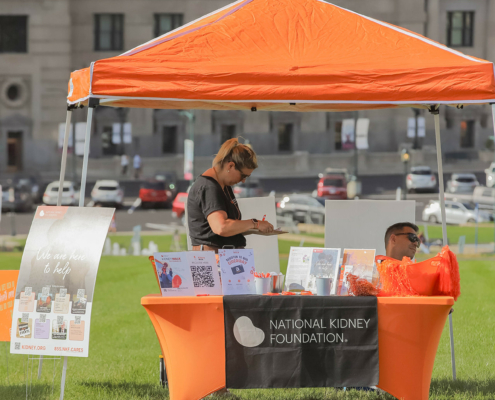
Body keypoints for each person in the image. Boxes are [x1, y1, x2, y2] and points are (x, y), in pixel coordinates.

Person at [187, 137, 274, 253]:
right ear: (230, 166)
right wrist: (254, 223)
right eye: (243, 175)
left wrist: (254, 226)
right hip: (214, 257)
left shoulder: (223, 186)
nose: (243, 181)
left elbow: (226, 228)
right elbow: (221, 227)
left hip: (224, 255)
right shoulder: (209, 187)